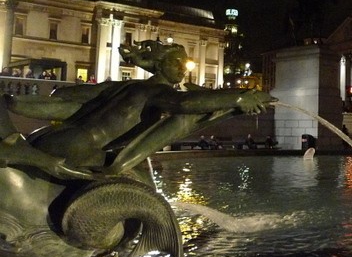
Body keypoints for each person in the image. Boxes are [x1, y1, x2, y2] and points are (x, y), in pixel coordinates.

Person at [4, 39, 274, 178]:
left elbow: (65, 94)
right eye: (176, 63)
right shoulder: (159, 92)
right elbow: (184, 104)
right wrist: (238, 100)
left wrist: (20, 104)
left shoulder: (126, 87)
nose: (182, 69)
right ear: (160, 66)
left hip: (55, 136)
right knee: (129, 179)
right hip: (81, 150)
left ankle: (22, 153)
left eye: (184, 64)